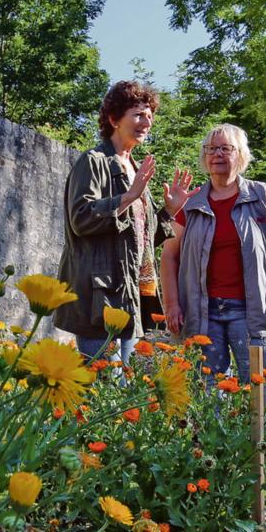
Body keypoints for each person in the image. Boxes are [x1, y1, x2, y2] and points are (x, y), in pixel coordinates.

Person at [55, 80, 193, 360]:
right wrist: (128, 197)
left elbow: (139, 239)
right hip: (100, 296)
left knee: (120, 389)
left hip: (129, 294)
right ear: (114, 118)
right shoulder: (93, 161)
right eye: (139, 115)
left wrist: (168, 211)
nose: (147, 122)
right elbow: (80, 219)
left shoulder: (133, 167)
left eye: (150, 116)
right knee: (103, 383)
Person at [161, 124, 266, 387]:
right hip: (203, 313)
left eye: (225, 148)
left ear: (240, 154)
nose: (216, 154)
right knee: (207, 393)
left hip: (252, 311)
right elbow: (169, 256)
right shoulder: (191, 202)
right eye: (210, 148)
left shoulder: (261, 195)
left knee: (265, 387)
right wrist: (172, 304)